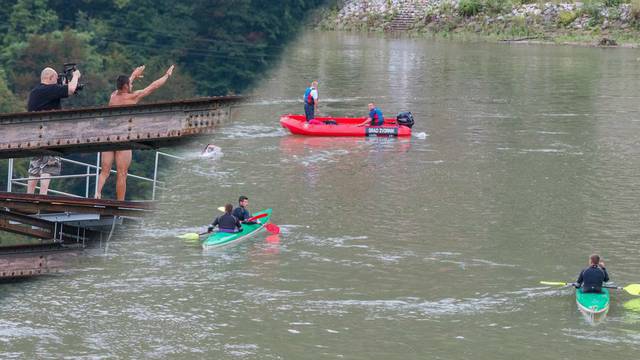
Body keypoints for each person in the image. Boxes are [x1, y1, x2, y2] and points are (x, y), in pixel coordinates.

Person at [95, 64, 175, 201]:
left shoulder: (113, 96)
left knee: (104, 171)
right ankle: (120, 203)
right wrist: (167, 75)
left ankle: (97, 194)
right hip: (123, 138)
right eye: (129, 84)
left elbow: (126, 85)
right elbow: (153, 86)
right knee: (122, 173)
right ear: (126, 86)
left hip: (108, 137)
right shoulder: (132, 98)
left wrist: (133, 75)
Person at [26, 66, 82, 195]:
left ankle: (29, 195)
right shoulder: (50, 90)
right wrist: (75, 76)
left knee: (35, 164)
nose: (57, 81)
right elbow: (71, 89)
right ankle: (43, 195)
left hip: (34, 134)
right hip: (49, 133)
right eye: (56, 79)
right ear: (50, 78)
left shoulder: (35, 91)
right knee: (49, 164)